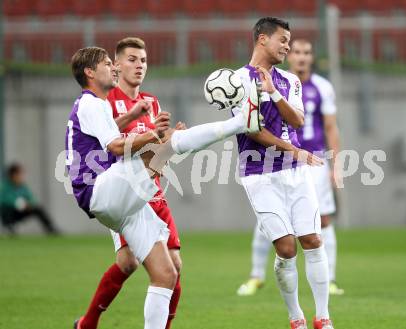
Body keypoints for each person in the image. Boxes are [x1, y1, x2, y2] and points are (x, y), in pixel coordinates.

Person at [67, 46, 262, 329]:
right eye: (108, 63)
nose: (113, 68)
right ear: (89, 72)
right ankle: (239, 122)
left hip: (122, 203)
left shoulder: (101, 104)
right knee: (166, 145)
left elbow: (118, 143)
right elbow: (116, 146)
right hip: (98, 189)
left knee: (166, 273)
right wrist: (155, 136)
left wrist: (157, 138)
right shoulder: (91, 103)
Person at [74, 37, 183, 329]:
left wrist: (169, 140)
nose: (139, 65)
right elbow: (109, 144)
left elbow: (156, 151)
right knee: (127, 263)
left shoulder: (150, 101)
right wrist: (155, 135)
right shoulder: (102, 101)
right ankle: (89, 321)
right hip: (121, 189)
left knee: (173, 270)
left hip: (153, 189)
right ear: (117, 66)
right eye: (131, 59)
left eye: (143, 60)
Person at [231, 18, 333, 329]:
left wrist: (275, 93)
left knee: (313, 239)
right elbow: (252, 129)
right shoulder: (237, 80)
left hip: (296, 172)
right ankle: (296, 319)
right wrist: (293, 150)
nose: (287, 46)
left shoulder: (290, 81)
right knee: (286, 248)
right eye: (283, 39)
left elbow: (299, 120)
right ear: (262, 39)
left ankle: (323, 318)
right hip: (259, 173)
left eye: (289, 41)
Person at [0, 163, 58, 235]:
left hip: (21, 211)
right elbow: (3, 199)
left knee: (38, 209)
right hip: (9, 213)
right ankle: (9, 229)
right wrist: (17, 203)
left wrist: (29, 204)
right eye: (20, 174)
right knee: (5, 209)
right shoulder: (4, 186)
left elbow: (31, 198)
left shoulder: (22, 186)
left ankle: (51, 229)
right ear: (14, 175)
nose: (22, 176)